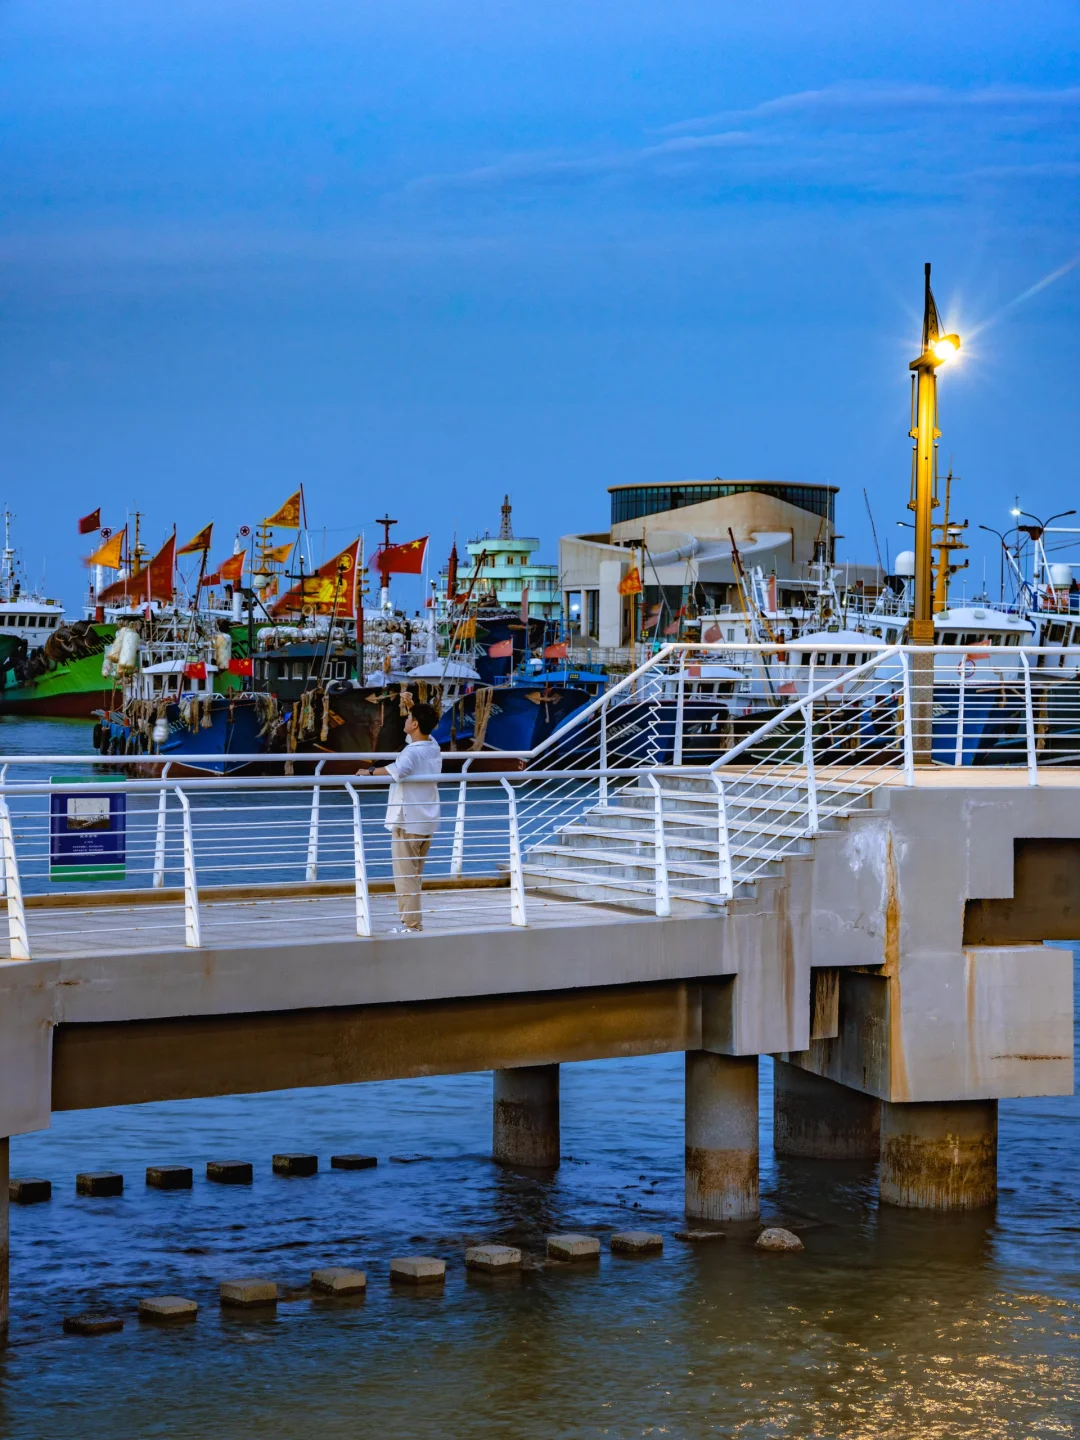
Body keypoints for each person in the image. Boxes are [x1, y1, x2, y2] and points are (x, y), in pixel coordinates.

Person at [359, 701, 442, 933]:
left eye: (408, 718)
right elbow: (415, 745)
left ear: (415, 724)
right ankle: (411, 922)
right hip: (426, 821)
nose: (404, 721)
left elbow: (399, 769)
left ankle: (411, 925)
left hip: (408, 821)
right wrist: (413, 706)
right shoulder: (432, 747)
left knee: (406, 877)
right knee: (414, 875)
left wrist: (371, 771)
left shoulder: (412, 753)